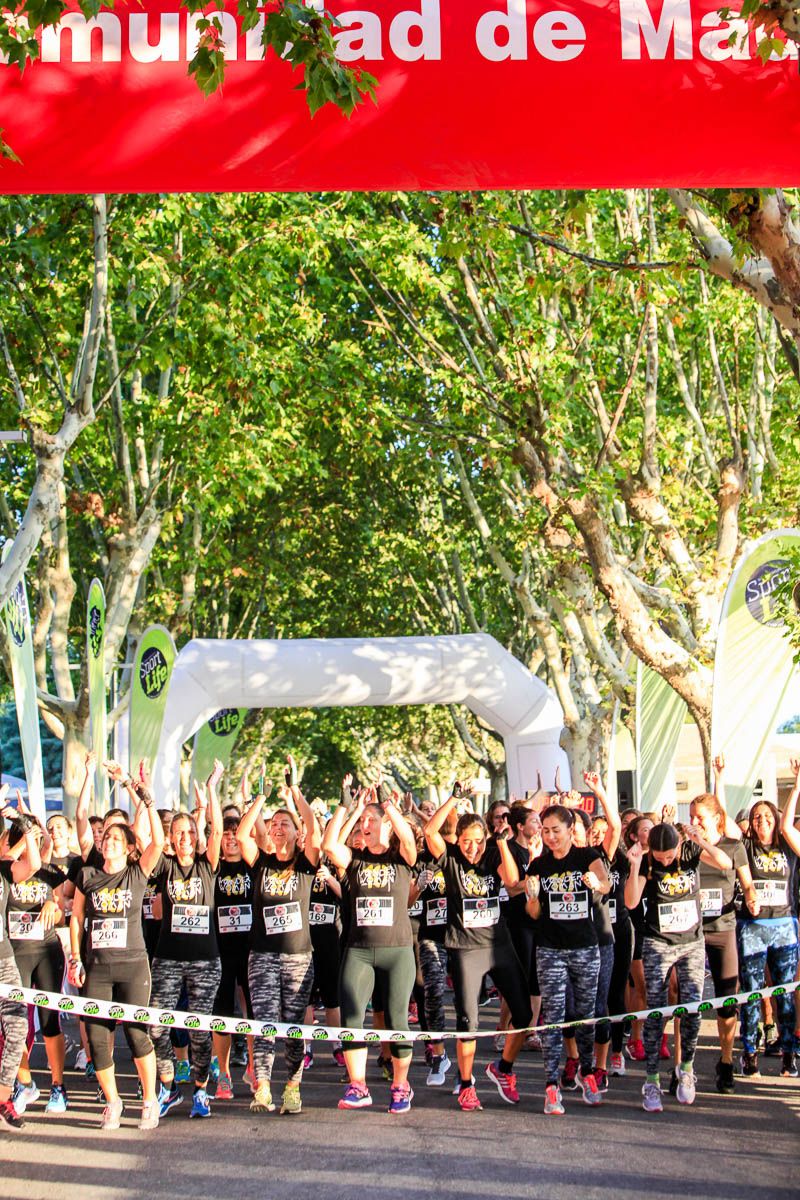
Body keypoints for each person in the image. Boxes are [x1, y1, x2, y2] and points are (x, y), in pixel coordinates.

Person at [67, 781, 164, 1130]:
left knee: (138, 1034)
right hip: (98, 968)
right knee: (95, 1037)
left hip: (134, 966)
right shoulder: (88, 876)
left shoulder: (136, 874)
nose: (108, 842)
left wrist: (145, 798)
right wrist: (75, 957)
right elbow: (77, 917)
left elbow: (159, 842)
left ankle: (150, 1100)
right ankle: (113, 1102)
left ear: (128, 848)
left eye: (116, 839)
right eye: (105, 837)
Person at [425, 791, 531, 1112]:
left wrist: (498, 844)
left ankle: (503, 1069)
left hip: (498, 945)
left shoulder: (495, 854)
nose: (473, 847)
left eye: (478, 840)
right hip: (465, 948)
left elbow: (513, 881)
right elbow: (430, 832)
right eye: (467, 841)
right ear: (458, 840)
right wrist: (453, 801)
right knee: (468, 1021)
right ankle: (467, 1084)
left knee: (524, 1015)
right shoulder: (452, 858)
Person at [323, 782, 418, 1114]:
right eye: (363, 821)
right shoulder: (356, 859)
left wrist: (387, 806)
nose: (366, 826)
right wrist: (347, 808)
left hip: (398, 951)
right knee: (352, 1017)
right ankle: (358, 1085)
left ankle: (400, 1086)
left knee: (396, 1021)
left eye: (371, 821)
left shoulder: (401, 856)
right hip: (359, 950)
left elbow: (408, 839)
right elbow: (329, 844)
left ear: (387, 825)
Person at [625, 820, 732, 1113]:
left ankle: (686, 1068)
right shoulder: (647, 861)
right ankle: (651, 1080)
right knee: (656, 1012)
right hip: (659, 942)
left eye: (669, 856)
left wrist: (702, 841)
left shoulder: (689, 852)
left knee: (692, 1007)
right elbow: (631, 901)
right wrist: (635, 866)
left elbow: (724, 863)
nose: (666, 861)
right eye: (660, 858)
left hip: (692, 942)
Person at [237, 763, 320, 1116]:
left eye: (285, 823)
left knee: (293, 1024)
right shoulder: (262, 862)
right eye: (274, 824)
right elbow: (242, 836)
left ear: (295, 830)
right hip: (263, 956)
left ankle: (292, 1086)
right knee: (265, 1019)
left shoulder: (305, 863)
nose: (278, 827)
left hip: (298, 957)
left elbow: (315, 830)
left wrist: (295, 792)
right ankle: (263, 1087)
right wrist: (259, 799)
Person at [149, 762, 223, 1120]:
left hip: (204, 960)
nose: (184, 838)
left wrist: (211, 790)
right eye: (177, 833)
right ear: (170, 838)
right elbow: (149, 841)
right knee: (156, 1025)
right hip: (167, 958)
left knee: (199, 1028)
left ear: (197, 835)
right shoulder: (164, 866)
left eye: (189, 832)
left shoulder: (207, 864)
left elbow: (218, 832)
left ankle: (200, 1092)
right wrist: (144, 796)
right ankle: (168, 1085)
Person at [525, 803, 609, 1115]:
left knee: (586, 1014)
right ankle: (551, 1085)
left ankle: (587, 1073)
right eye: (545, 831)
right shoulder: (539, 866)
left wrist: (594, 884)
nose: (549, 837)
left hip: (585, 947)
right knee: (554, 1017)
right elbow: (532, 914)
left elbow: (607, 884)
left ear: (570, 830)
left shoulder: (586, 857)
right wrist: (532, 896)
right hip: (550, 948)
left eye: (555, 831)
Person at [691, 767, 757, 1093]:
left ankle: (726, 1061)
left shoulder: (733, 847)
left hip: (723, 928)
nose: (694, 822)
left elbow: (746, 882)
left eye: (700, 817)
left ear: (717, 819)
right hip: (690, 933)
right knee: (682, 996)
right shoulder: (689, 848)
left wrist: (753, 897)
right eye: (691, 816)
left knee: (726, 999)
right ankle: (683, 1064)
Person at [737, 760, 800, 1078]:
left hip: (784, 927)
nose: (761, 821)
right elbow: (723, 826)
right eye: (756, 817)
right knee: (751, 992)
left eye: (766, 816)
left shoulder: (788, 847)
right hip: (752, 929)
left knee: (785, 993)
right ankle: (749, 1053)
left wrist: (798, 781)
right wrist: (720, 779)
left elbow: (789, 827)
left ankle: (789, 1053)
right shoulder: (745, 847)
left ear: (774, 820)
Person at [7, 818, 69, 1115]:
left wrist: (52, 907)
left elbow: (61, 911)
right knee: (14, 1024)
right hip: (15, 954)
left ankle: (58, 1086)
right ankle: (25, 1082)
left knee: (49, 1022)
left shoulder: (47, 872)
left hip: (46, 951)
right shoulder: (7, 872)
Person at [0, 802, 42, 1131]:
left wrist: (24, 824)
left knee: (17, 1029)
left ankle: (4, 1097)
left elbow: (36, 862)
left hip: (4, 961)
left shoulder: (4, 870)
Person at [211, 811, 255, 1099]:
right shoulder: (214, 869)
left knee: (251, 1010)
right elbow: (213, 832)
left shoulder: (254, 867)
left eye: (235, 833)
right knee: (222, 1012)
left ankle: (254, 1067)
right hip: (221, 949)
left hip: (251, 949)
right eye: (226, 834)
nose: (230, 838)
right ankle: (224, 1074)